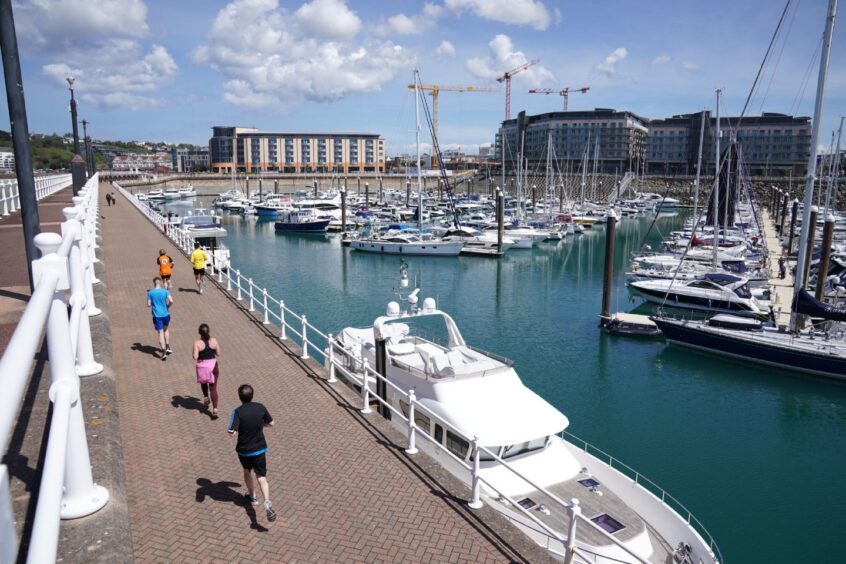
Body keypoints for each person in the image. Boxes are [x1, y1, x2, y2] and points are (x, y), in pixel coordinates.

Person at [228, 384, 276, 522]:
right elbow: (272, 423)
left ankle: (253, 497)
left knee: (247, 472)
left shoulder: (237, 412)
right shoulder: (260, 407)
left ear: (240, 397)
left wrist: (235, 431)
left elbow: (231, 432)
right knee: (262, 477)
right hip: (260, 448)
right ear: (252, 395)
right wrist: (262, 425)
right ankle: (267, 502)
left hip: (244, 451)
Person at [193, 323, 221, 419]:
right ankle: (215, 410)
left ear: (199, 333)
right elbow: (218, 353)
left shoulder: (197, 343)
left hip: (202, 367)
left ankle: (206, 399)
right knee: (213, 389)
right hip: (213, 367)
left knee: (204, 383)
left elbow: (195, 357)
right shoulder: (214, 341)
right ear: (209, 331)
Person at [146, 277, 173, 360]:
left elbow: (148, 305)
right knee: (166, 329)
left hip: (157, 315)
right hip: (166, 314)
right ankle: (168, 346)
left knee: (160, 333)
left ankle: (164, 351)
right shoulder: (166, 291)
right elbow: (171, 301)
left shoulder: (150, 293)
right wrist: (167, 306)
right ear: (160, 283)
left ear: (154, 283)